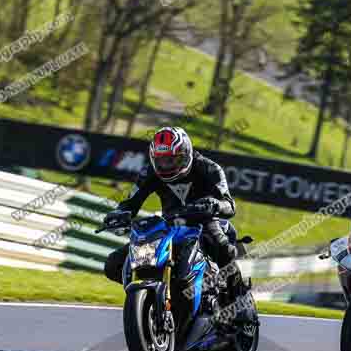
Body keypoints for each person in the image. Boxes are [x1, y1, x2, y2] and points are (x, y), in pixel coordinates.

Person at [102, 127, 249, 326]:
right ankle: (154, 296)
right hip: (171, 226)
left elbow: (230, 205)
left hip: (205, 221)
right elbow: (131, 202)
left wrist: (214, 205)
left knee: (220, 244)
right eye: (161, 160)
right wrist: (119, 214)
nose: (166, 165)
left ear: (185, 154)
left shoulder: (209, 168)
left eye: (171, 159)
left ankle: (237, 301)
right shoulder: (150, 173)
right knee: (113, 264)